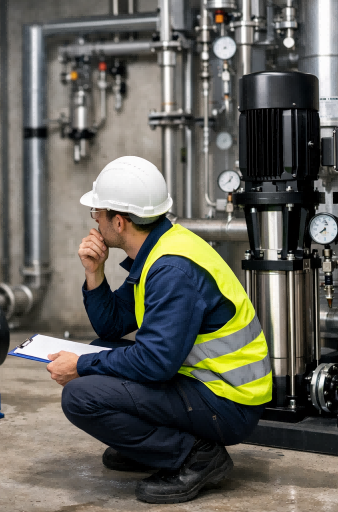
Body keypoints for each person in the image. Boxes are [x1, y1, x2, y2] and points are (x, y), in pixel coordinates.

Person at [46, 156, 271, 504]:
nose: (95, 220)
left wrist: (80, 365)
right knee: (98, 347)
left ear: (118, 222)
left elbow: (155, 364)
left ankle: (196, 456)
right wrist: (95, 272)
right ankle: (153, 448)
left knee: (81, 395)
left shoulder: (172, 270)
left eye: (98, 214)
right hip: (206, 384)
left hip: (228, 402)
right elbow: (114, 325)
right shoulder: (160, 248)